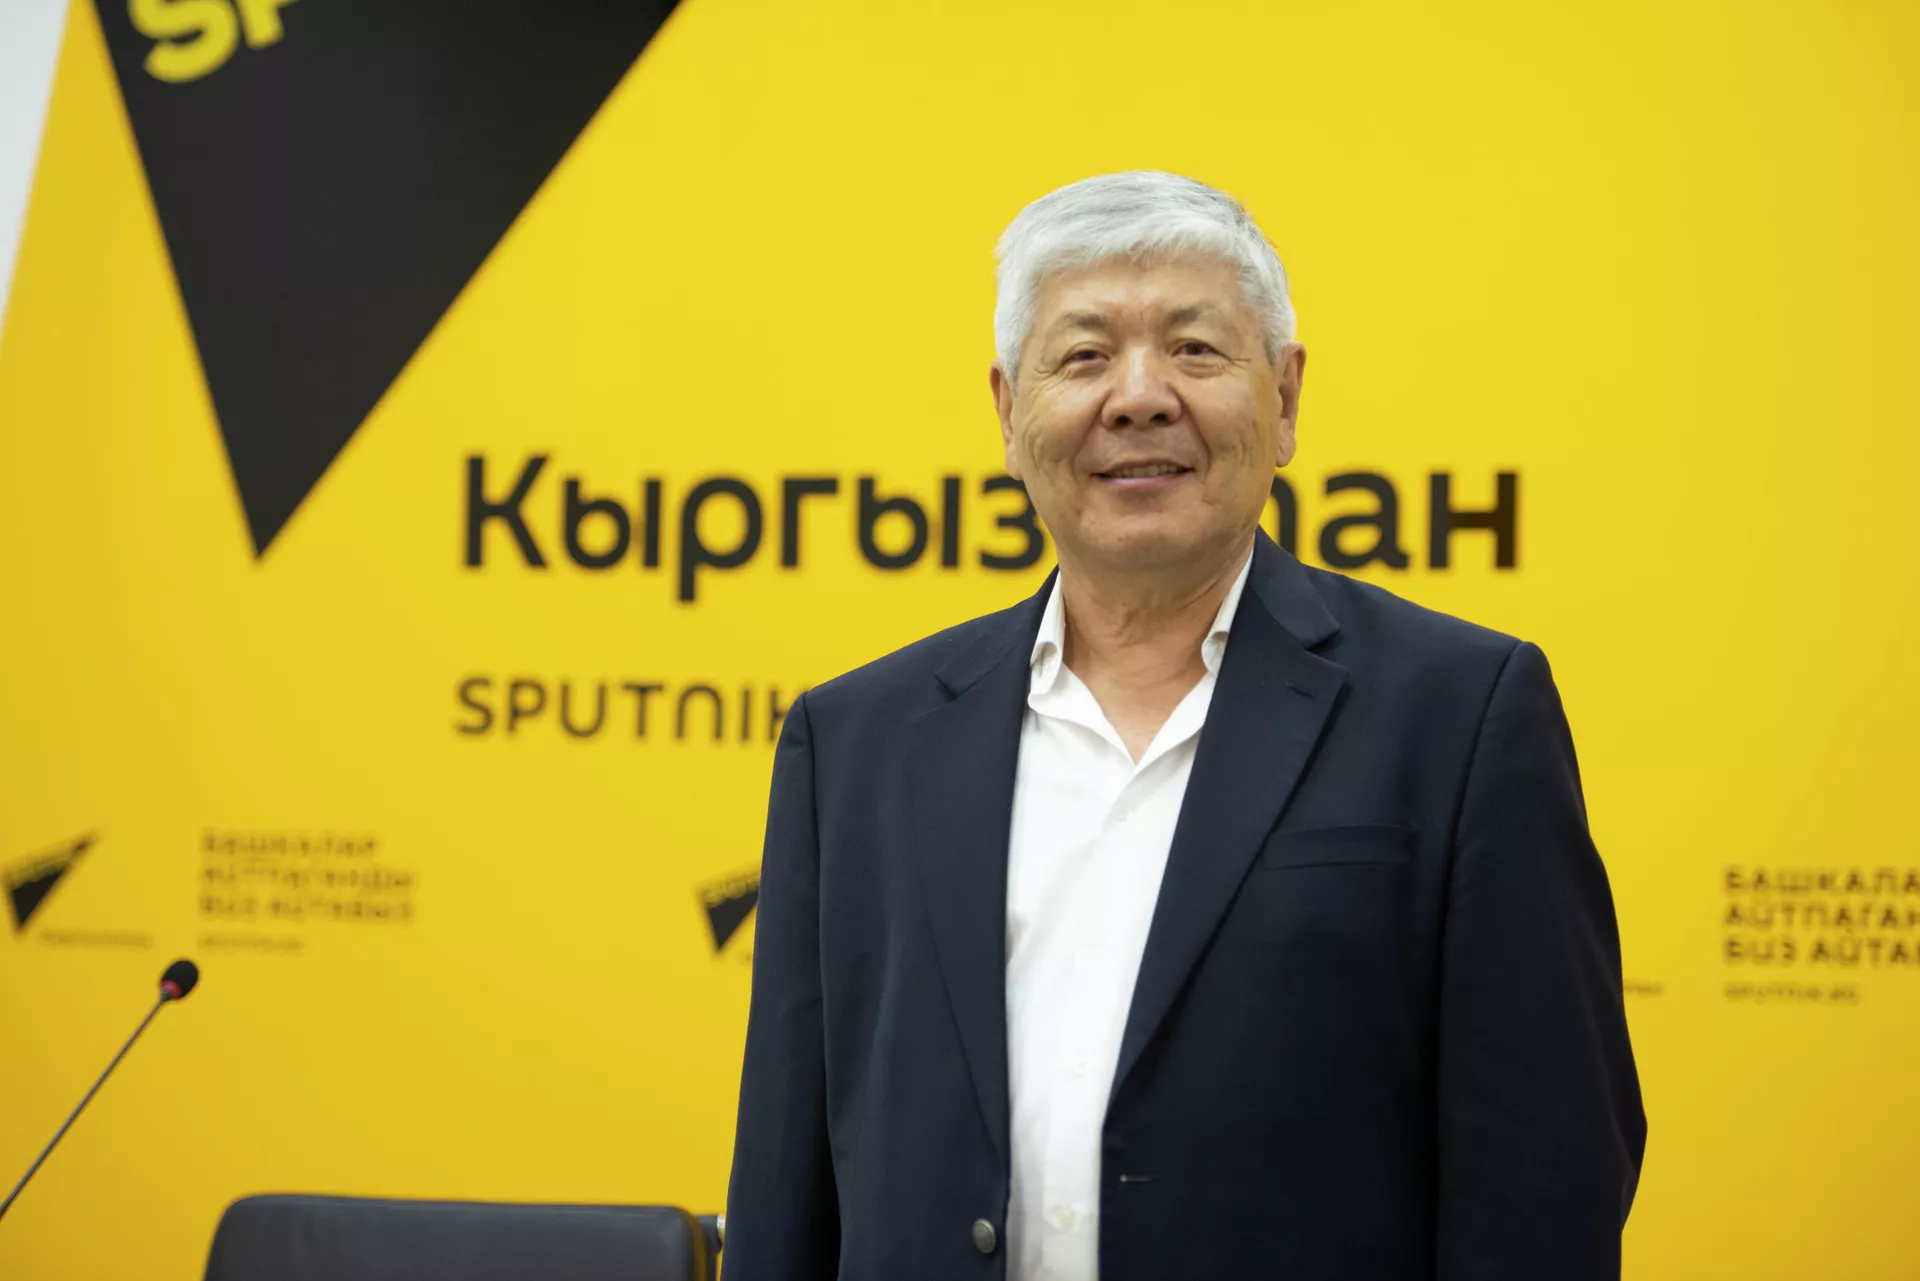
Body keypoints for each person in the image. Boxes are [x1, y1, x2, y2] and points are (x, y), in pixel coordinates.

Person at [723, 171, 1645, 1281]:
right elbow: (784, 1195)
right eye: (1083, 355)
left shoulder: (1460, 716)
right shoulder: (856, 744)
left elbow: (1544, 1188)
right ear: (1009, 413)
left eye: (1195, 350)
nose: (1138, 397)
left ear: (1285, 398)